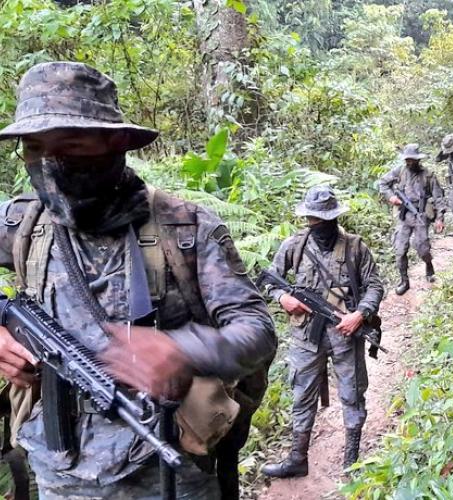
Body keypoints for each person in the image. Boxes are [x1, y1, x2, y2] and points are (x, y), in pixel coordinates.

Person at [0, 62, 277, 499]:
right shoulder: (22, 224)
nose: (49, 164)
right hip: (55, 469)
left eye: (71, 145)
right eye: (35, 148)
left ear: (117, 143)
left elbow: (258, 331)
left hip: (170, 468)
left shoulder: (186, 228)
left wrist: (183, 350)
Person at [260, 186, 384, 478]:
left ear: (335, 218)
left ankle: (351, 461)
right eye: (313, 219)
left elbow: (375, 285)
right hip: (305, 337)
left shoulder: (355, 247)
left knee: (352, 395)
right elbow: (269, 279)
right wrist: (283, 298)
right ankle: (297, 458)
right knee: (302, 395)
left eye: (324, 220)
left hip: (345, 335)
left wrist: (359, 314)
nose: (318, 225)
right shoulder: (294, 246)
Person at [379, 144, 446, 296]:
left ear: (418, 160)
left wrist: (439, 218)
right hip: (404, 215)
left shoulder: (428, 175)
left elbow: (438, 198)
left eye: (412, 160)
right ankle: (404, 281)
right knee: (400, 249)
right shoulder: (400, 171)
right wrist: (391, 197)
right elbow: (383, 183)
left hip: (421, 214)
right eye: (407, 160)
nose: (409, 162)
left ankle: (428, 265)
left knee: (423, 248)